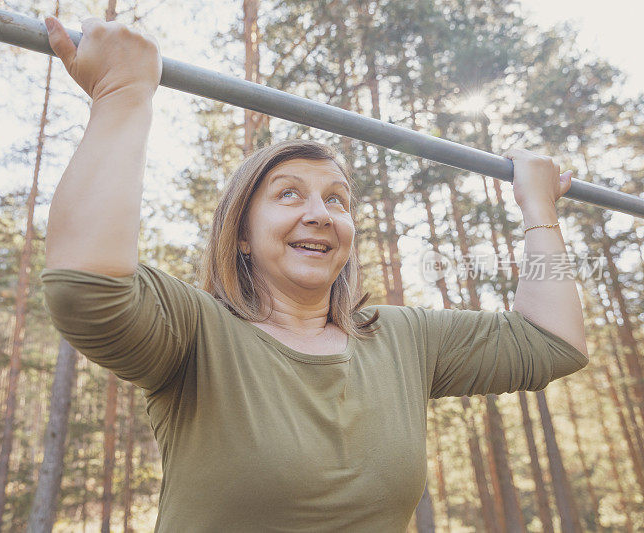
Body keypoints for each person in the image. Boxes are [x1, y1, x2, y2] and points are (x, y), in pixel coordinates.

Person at [40, 16, 589, 532]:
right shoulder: (196, 333)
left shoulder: (402, 338)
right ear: (241, 236)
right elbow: (87, 288)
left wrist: (539, 211)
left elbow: (553, 341)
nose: (320, 213)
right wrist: (123, 94)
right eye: (288, 194)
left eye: (337, 200)